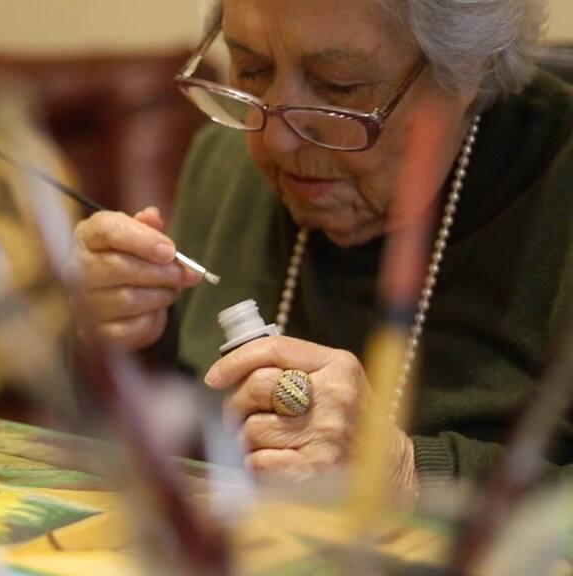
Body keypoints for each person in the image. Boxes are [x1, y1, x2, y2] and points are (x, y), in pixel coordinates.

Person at [74, 0, 573, 495]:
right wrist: (116, 330)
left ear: (469, 70)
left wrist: (408, 472)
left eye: (338, 87)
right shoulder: (226, 162)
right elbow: (163, 427)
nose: (275, 141)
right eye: (251, 69)